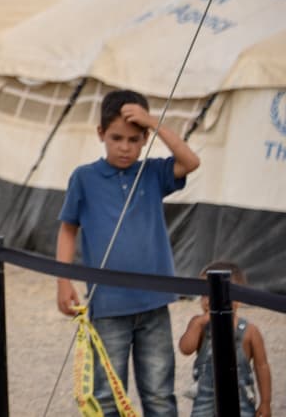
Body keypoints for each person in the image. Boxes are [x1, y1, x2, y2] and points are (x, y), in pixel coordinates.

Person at [55, 88, 202, 417]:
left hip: (154, 305)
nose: (125, 147)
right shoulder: (84, 178)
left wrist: (153, 121)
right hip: (107, 307)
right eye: (116, 138)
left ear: (146, 138)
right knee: (107, 394)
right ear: (101, 134)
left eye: (134, 139)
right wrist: (63, 282)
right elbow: (67, 229)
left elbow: (191, 161)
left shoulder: (152, 173)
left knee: (160, 395)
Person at [179, 260, 272, 417]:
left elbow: (261, 366)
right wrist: (197, 323)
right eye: (204, 294)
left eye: (216, 293)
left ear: (238, 298)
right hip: (204, 402)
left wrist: (265, 402)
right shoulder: (199, 325)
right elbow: (185, 349)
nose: (209, 300)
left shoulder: (249, 331)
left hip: (241, 401)